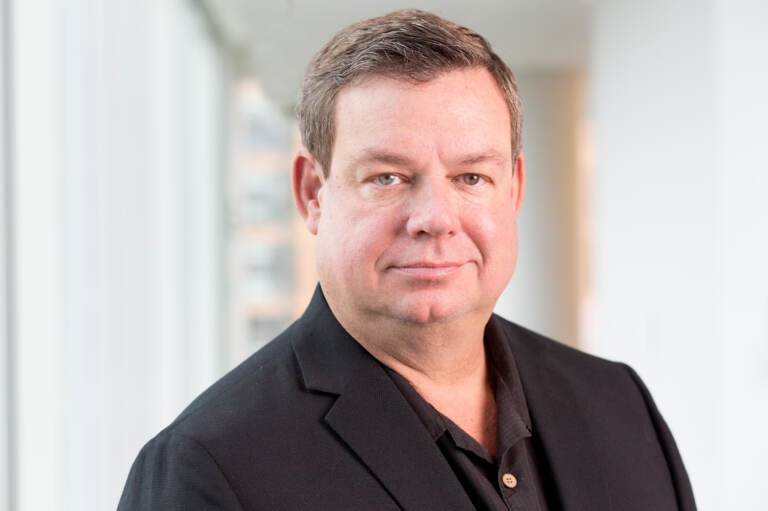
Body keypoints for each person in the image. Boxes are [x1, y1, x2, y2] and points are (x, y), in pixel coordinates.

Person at [118, 9, 696, 510]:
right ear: (312, 193)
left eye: (471, 176)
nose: (434, 218)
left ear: (514, 189)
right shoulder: (208, 467)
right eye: (388, 178)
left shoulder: (619, 403)